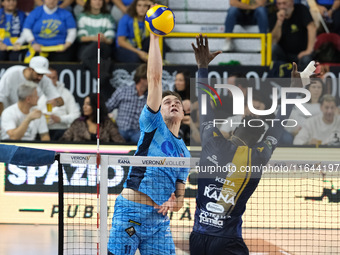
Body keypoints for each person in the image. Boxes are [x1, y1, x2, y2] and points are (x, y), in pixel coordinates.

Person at [189, 34, 313, 255]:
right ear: (259, 140)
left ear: (235, 130)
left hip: (198, 238)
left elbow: (205, 105)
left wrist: (202, 67)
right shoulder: (258, 156)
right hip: (227, 241)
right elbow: (278, 125)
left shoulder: (211, 141)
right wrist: (293, 92)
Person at [107, 30, 191, 254]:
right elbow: (154, 78)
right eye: (166, 102)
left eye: (177, 102)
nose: (172, 103)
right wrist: (154, 38)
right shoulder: (153, 125)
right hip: (131, 216)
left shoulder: (185, 153)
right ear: (157, 109)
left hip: (159, 223)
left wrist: (176, 203)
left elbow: (180, 196)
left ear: (184, 112)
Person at [105, 63, 147, 143]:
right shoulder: (123, 90)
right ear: (142, 78)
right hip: (121, 130)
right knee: (115, 136)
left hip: (139, 132)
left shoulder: (150, 96)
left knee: (144, 140)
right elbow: (108, 107)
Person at [269, 0, 316, 69]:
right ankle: (275, 75)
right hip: (284, 54)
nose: (282, 6)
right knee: (273, 48)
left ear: (292, 2)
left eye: (284, 3)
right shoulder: (275, 15)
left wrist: (308, 50)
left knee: (307, 59)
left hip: (301, 54)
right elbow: (274, 41)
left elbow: (312, 28)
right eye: (279, 4)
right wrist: (279, 22)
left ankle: (301, 79)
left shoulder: (301, 9)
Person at [60, 93, 125, 143]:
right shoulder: (77, 123)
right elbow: (64, 140)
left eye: (88, 104)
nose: (84, 107)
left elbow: (120, 142)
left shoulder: (107, 123)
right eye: (84, 104)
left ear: (96, 106)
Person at [77, 0, 115, 85]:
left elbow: (110, 39)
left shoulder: (107, 17)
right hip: (87, 45)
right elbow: (81, 38)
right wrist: (95, 38)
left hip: (103, 46)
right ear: (89, 2)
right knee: (90, 53)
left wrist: (103, 39)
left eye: (100, 0)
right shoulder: (82, 16)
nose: (98, 2)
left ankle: (99, 75)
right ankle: (102, 74)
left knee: (85, 56)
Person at [37, 67, 80, 141]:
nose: (51, 80)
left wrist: (60, 119)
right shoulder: (37, 92)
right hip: (41, 131)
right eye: (49, 77)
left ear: (57, 78)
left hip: (61, 130)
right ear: (44, 78)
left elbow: (76, 115)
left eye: (54, 78)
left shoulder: (66, 93)